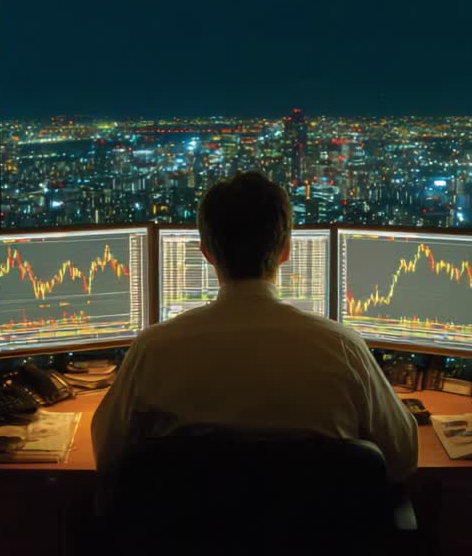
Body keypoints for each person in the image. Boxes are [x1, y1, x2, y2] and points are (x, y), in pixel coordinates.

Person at [91, 171, 418, 481]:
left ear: (206, 253)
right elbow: (402, 457)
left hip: (191, 539)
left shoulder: (153, 350)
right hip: (314, 540)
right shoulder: (343, 348)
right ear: (286, 250)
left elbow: (108, 456)